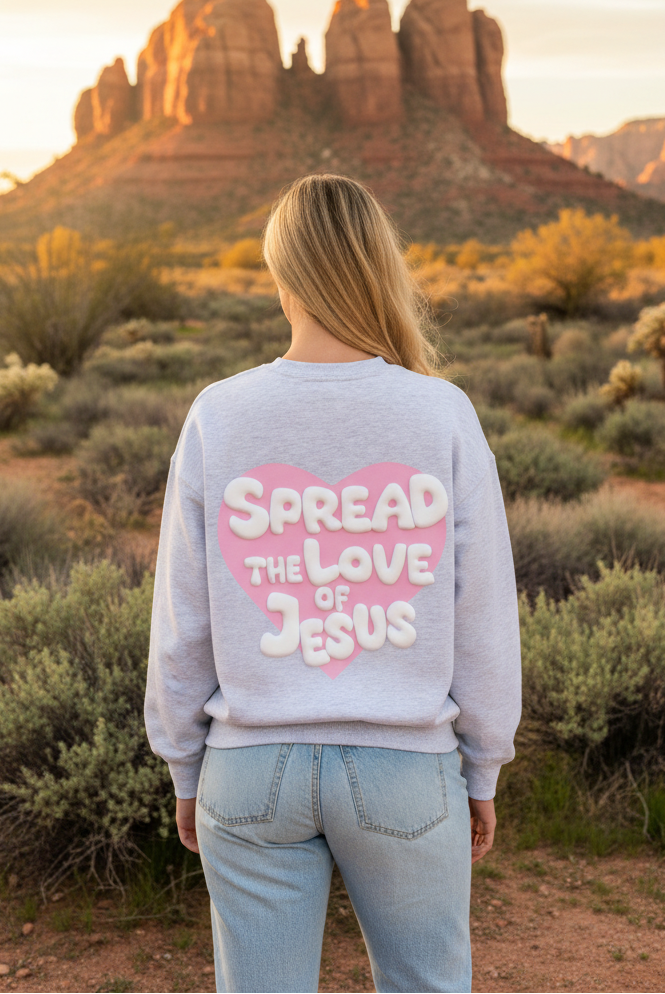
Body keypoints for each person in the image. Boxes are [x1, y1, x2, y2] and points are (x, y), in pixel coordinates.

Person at [145, 174, 521, 994]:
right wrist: (483, 766)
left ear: (282, 276)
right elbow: (482, 611)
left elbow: (184, 619)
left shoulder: (219, 412)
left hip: (247, 768)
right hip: (407, 771)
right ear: (375, 270)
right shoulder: (441, 412)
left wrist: (182, 762)